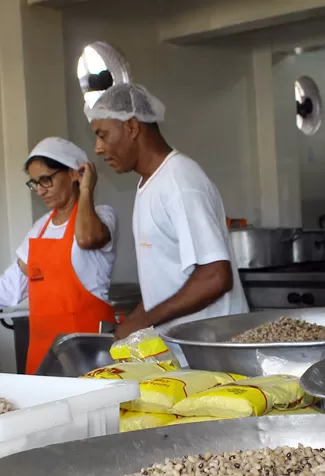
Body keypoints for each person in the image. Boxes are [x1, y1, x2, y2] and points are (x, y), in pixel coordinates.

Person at [0, 137, 118, 374]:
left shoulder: (103, 217)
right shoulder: (41, 228)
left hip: (89, 357)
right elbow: (10, 285)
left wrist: (87, 188)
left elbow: (87, 239)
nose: (39, 190)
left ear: (74, 173)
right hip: (46, 358)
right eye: (34, 183)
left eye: (46, 180)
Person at [86, 83, 248, 339]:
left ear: (131, 126)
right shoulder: (149, 184)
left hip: (213, 349)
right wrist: (134, 323)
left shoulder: (180, 181)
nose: (98, 148)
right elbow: (166, 286)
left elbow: (215, 276)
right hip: (185, 351)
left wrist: (144, 322)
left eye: (102, 135)